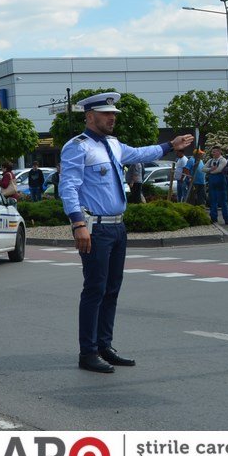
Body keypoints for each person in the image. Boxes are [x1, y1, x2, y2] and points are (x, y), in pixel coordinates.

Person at [58, 91, 193, 374]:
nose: (112, 118)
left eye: (114, 114)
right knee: (95, 289)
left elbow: (142, 153)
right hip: (95, 228)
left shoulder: (114, 144)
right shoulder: (77, 147)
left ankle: (104, 345)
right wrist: (77, 223)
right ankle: (88, 352)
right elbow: (68, 186)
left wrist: (170, 144)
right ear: (90, 116)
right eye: (107, 114)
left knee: (111, 290)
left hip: (118, 227)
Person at [203, 146, 228, 224]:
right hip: (212, 183)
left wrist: (210, 171)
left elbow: (219, 170)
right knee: (213, 201)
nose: (213, 153)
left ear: (219, 152)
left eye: (214, 152)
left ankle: (226, 219)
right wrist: (211, 169)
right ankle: (213, 218)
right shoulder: (211, 160)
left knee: (223, 202)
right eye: (212, 152)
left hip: (221, 182)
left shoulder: (223, 160)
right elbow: (203, 169)